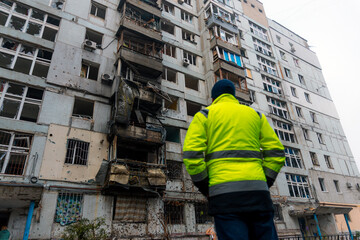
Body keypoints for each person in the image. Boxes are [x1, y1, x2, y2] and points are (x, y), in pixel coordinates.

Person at [183, 79, 285, 240]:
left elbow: (191, 155)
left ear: (213, 99)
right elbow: (277, 153)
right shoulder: (256, 115)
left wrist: (205, 186)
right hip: (258, 195)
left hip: (225, 198)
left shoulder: (205, 115)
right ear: (233, 95)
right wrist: (265, 181)